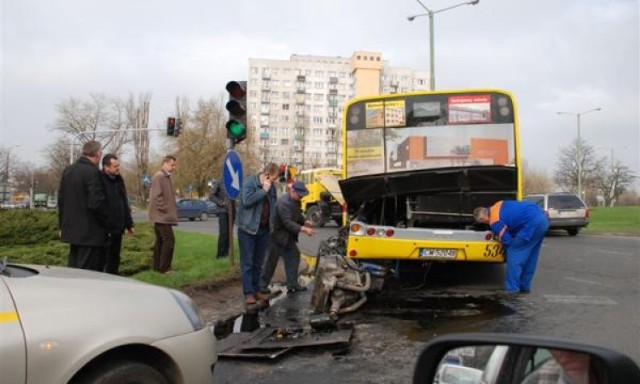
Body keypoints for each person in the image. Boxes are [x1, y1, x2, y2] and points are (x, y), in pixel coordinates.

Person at [474, 200, 549, 293]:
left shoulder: (494, 221)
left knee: (514, 253)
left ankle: (512, 289)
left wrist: (505, 251)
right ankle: (524, 286)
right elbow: (513, 218)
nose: (486, 223)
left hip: (531, 224)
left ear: (483, 217)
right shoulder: (498, 204)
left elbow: (508, 241)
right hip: (543, 219)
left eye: (483, 221)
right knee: (530, 256)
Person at [58, 140, 108, 271]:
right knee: (87, 273)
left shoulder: (68, 171)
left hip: (71, 230)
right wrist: (107, 222)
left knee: (73, 269)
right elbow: (96, 203)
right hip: (90, 232)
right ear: (97, 154)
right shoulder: (93, 172)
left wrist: (61, 225)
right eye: (101, 153)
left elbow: (61, 200)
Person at [235, 163, 280, 305]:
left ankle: (256, 290)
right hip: (247, 229)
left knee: (258, 263)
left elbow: (274, 206)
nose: (273, 182)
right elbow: (247, 201)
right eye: (272, 179)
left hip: (264, 230)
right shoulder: (250, 183)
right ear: (266, 174)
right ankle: (248, 293)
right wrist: (263, 190)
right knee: (247, 263)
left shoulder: (272, 188)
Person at [260, 181, 315, 294]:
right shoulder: (283, 203)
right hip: (276, 236)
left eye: (303, 194)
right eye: (300, 194)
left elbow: (297, 215)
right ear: (292, 190)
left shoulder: (296, 201)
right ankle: (262, 285)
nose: (301, 197)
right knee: (271, 261)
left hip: (287, 236)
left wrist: (305, 222)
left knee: (294, 255)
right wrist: (304, 229)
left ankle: (292, 284)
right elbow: (288, 223)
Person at [100, 154, 134, 274]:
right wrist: (106, 222)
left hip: (118, 227)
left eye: (118, 165)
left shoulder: (119, 180)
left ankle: (114, 275)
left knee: (115, 256)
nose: (118, 168)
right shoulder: (100, 180)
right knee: (106, 258)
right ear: (106, 167)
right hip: (106, 228)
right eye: (115, 166)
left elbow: (124, 202)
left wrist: (129, 224)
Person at [148, 155, 178, 274]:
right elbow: (156, 196)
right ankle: (165, 268)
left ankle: (158, 267)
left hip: (161, 216)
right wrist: (165, 210)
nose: (174, 167)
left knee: (160, 241)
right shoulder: (159, 176)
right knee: (169, 240)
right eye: (172, 164)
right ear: (165, 163)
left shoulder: (164, 176)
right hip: (162, 216)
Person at [209, 180, 230, 259]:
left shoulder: (234, 181)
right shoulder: (219, 181)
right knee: (223, 233)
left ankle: (226, 253)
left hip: (231, 211)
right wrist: (221, 203)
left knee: (229, 233)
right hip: (222, 211)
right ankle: (220, 254)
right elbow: (211, 196)